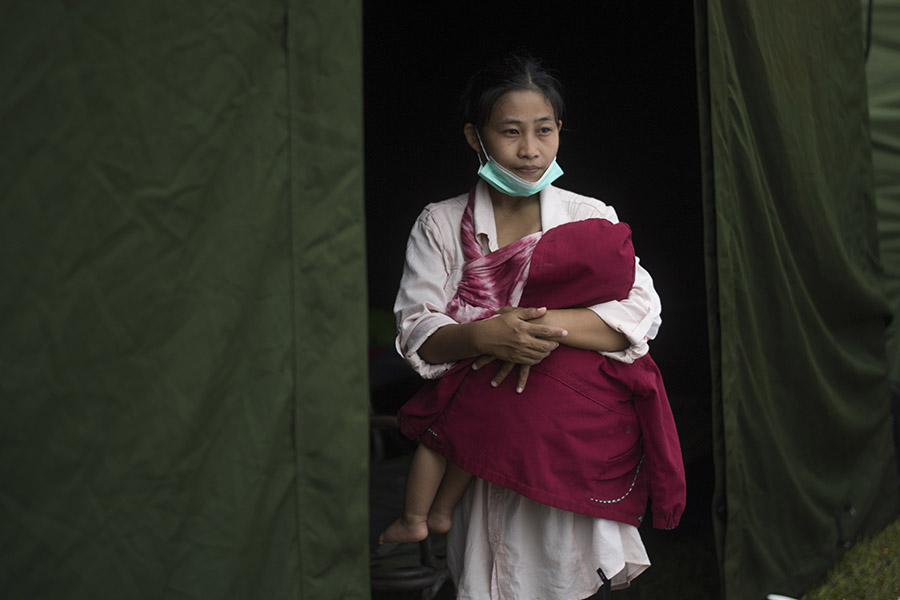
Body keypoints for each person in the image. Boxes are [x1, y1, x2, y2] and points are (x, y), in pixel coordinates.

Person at [386, 52, 685, 599]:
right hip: (480, 458)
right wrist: (480, 336)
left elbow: (640, 312)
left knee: (567, 575)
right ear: (475, 137)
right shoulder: (441, 223)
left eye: (543, 131)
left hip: (569, 446)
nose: (530, 150)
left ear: (559, 133)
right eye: (510, 132)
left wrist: (531, 331)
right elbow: (415, 329)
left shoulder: (589, 216)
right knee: (489, 579)